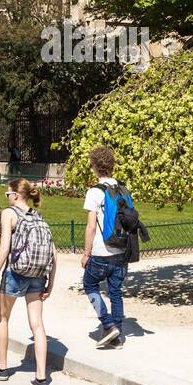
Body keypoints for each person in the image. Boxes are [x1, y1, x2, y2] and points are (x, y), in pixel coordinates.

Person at [0, 178, 55, 385]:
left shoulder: (9, 214)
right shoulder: (38, 217)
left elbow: (4, 247)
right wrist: (50, 284)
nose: (6, 197)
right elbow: (53, 252)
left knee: (2, 318)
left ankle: (2, 367)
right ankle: (42, 377)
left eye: (7, 194)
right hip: (38, 275)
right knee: (37, 323)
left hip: (15, 272)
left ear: (15, 195)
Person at [82, 146, 130, 347]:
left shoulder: (94, 192)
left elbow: (91, 226)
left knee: (89, 284)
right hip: (120, 248)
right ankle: (117, 336)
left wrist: (86, 253)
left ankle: (108, 325)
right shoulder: (123, 189)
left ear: (94, 166)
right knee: (116, 291)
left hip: (101, 250)